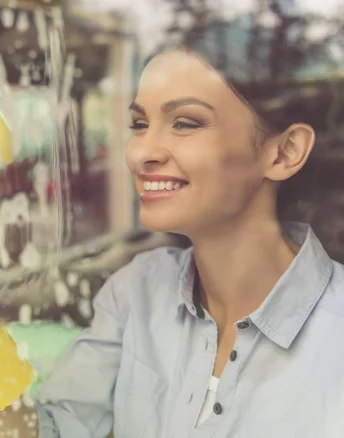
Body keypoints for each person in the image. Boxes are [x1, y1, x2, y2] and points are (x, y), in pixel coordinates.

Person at [35, 47, 344, 437]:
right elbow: (54, 429)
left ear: (284, 152)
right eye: (139, 124)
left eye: (185, 123)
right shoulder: (137, 292)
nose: (141, 153)